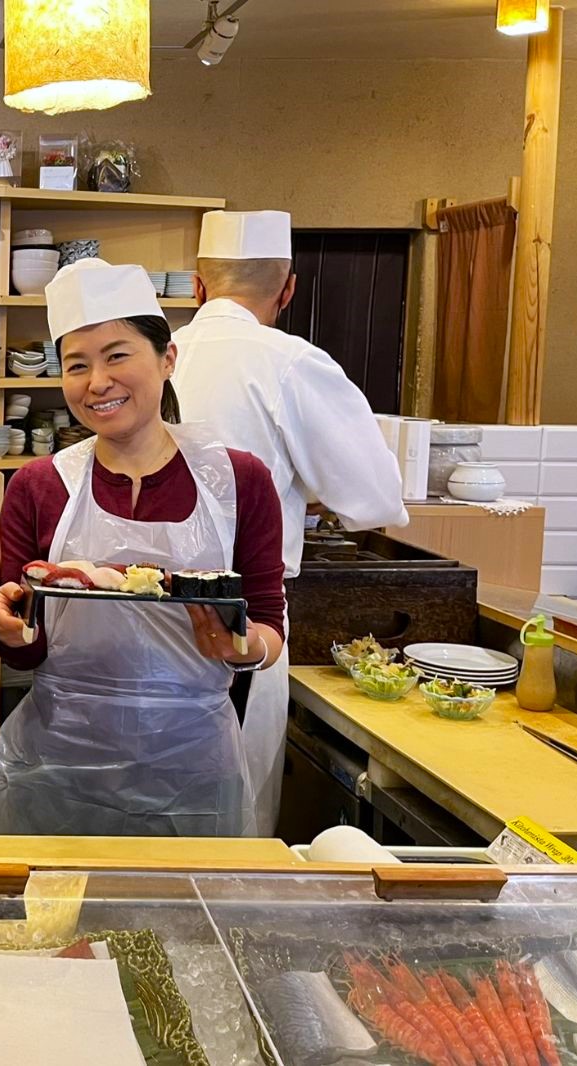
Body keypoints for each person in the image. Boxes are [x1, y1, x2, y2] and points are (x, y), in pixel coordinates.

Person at [0, 258, 287, 837]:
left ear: (167, 358)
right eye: (77, 365)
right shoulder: (39, 486)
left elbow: (269, 623)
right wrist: (5, 632)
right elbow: (24, 646)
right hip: (55, 768)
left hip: (192, 769)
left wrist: (244, 649)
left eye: (117, 355)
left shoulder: (239, 482)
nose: (97, 381)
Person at [173, 209, 408, 835]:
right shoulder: (291, 362)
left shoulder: (154, 354)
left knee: (147, 812)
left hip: (140, 612)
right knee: (234, 817)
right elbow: (375, 499)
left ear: (196, 287)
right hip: (247, 621)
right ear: (288, 288)